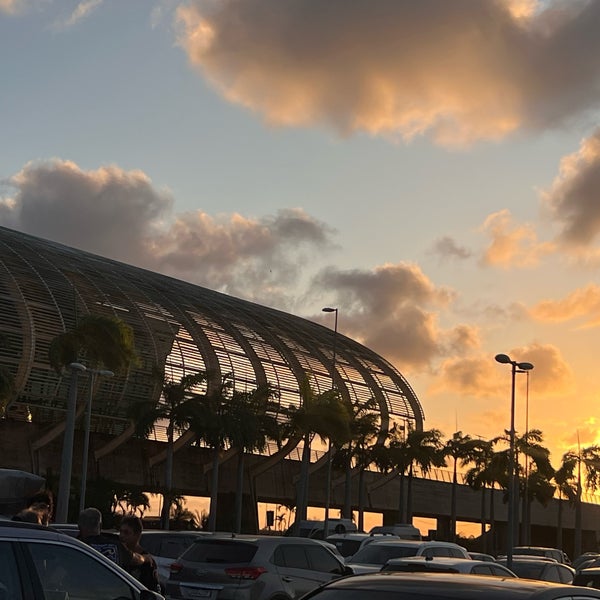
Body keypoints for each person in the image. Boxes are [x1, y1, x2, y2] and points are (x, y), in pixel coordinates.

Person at [77, 508, 148, 571]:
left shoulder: (73, 547)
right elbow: (137, 560)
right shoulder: (114, 547)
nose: (122, 536)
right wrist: (145, 558)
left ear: (79, 527)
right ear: (100, 525)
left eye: (126, 532)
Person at [119, 514, 161, 593]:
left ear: (137, 535)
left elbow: (153, 591)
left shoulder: (147, 561)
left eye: (126, 532)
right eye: (121, 531)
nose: (121, 536)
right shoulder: (118, 554)